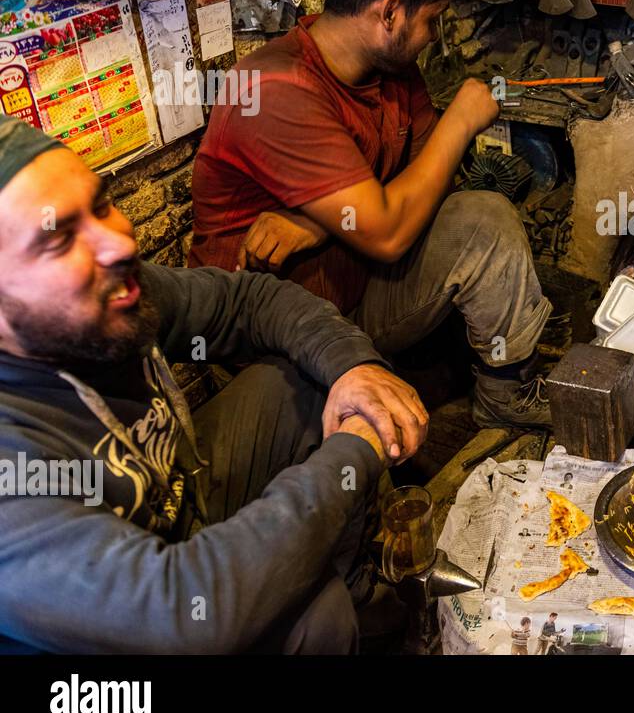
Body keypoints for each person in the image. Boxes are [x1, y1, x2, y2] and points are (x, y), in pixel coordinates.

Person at [0, 116, 425, 652]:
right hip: (132, 642)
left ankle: (363, 594)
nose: (118, 242)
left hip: (178, 502)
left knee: (307, 387)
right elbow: (179, 613)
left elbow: (246, 301)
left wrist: (352, 368)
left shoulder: (110, 293)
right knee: (315, 616)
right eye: (60, 239)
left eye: (102, 205)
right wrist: (356, 452)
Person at [189, 0, 550, 428]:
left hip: (352, 289)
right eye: (430, 22)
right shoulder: (274, 90)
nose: (432, 37)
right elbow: (386, 234)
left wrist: (318, 223)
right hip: (278, 339)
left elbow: (431, 178)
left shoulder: (390, 68)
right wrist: (460, 123)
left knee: (482, 221)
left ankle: (505, 395)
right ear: (389, 14)